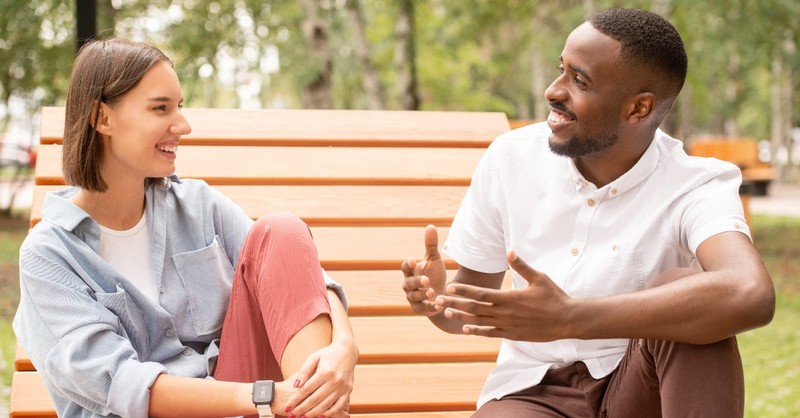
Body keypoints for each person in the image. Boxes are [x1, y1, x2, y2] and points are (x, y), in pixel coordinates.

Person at [402, 7, 775, 417]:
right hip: (533, 393)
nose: (553, 90)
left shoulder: (694, 183)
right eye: (560, 70)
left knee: (691, 295)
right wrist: (440, 302)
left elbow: (749, 292)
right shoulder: (510, 159)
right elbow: (468, 312)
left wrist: (572, 318)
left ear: (639, 109)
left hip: (639, 390)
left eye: (579, 80)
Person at [13, 38, 358, 418]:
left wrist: (344, 344)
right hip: (192, 408)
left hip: (245, 400)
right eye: (160, 109)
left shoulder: (197, 205)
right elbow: (120, 384)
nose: (183, 125)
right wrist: (265, 396)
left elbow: (303, 279)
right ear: (103, 118)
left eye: (179, 107)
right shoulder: (49, 255)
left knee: (282, 231)